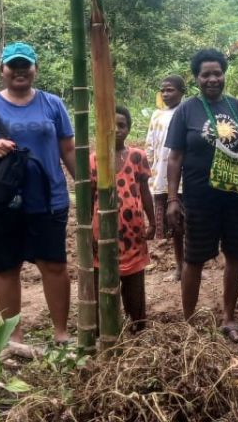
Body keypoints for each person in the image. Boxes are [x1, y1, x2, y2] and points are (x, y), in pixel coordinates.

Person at [0, 42, 76, 355]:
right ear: (2, 70)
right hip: (2, 204)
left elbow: (67, 149)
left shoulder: (53, 104)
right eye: (13, 65)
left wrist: (86, 184)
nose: (20, 71)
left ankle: (61, 333)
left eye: (26, 65)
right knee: (6, 267)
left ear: (35, 69)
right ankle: (14, 337)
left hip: (48, 199)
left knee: (54, 265)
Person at [165, 49, 238, 344]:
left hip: (237, 198)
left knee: (235, 254)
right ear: (196, 78)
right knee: (194, 258)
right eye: (205, 74)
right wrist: (172, 199)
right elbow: (175, 157)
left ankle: (229, 317)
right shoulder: (186, 111)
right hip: (200, 198)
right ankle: (190, 322)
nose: (212, 79)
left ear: (224, 74)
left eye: (217, 73)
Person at [91, 106, 155, 329]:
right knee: (103, 280)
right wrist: (87, 231)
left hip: (133, 232)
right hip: (102, 234)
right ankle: (104, 328)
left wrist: (153, 222)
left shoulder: (137, 156)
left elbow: (145, 192)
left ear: (129, 129)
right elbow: (89, 198)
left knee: (134, 282)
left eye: (122, 125)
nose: (117, 130)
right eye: (112, 125)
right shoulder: (93, 160)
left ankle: (137, 325)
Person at [145, 75, 186, 282]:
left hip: (186, 179)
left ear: (182, 92)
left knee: (192, 226)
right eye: (163, 91)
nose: (166, 94)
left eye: (170, 90)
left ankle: (193, 266)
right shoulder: (157, 115)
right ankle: (180, 267)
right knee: (176, 228)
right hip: (163, 179)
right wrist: (150, 173)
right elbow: (150, 145)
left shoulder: (187, 112)